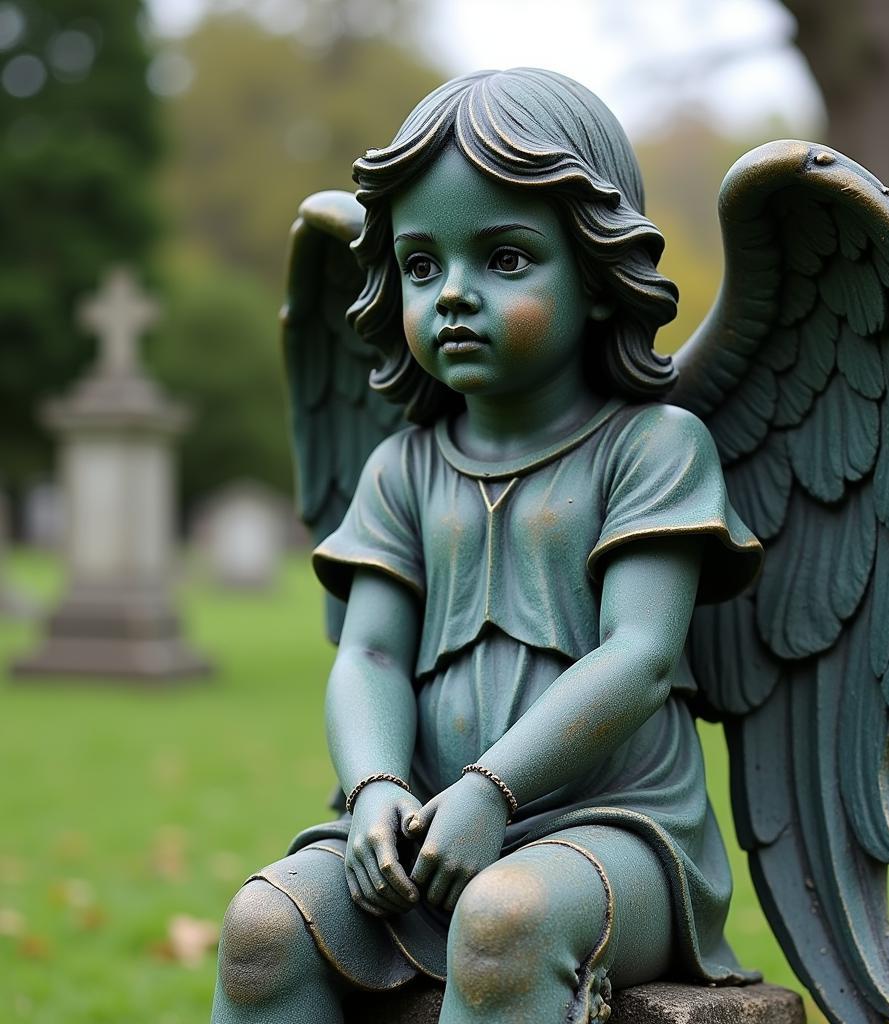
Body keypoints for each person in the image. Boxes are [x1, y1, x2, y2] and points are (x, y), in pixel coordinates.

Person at [211, 68, 762, 1024]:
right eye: (422, 266)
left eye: (505, 260)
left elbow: (638, 657)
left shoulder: (653, 447)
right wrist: (379, 786)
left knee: (503, 922)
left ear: (597, 275)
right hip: (424, 828)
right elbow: (370, 650)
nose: (454, 295)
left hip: (617, 837)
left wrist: (493, 790)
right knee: (266, 927)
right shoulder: (403, 467)